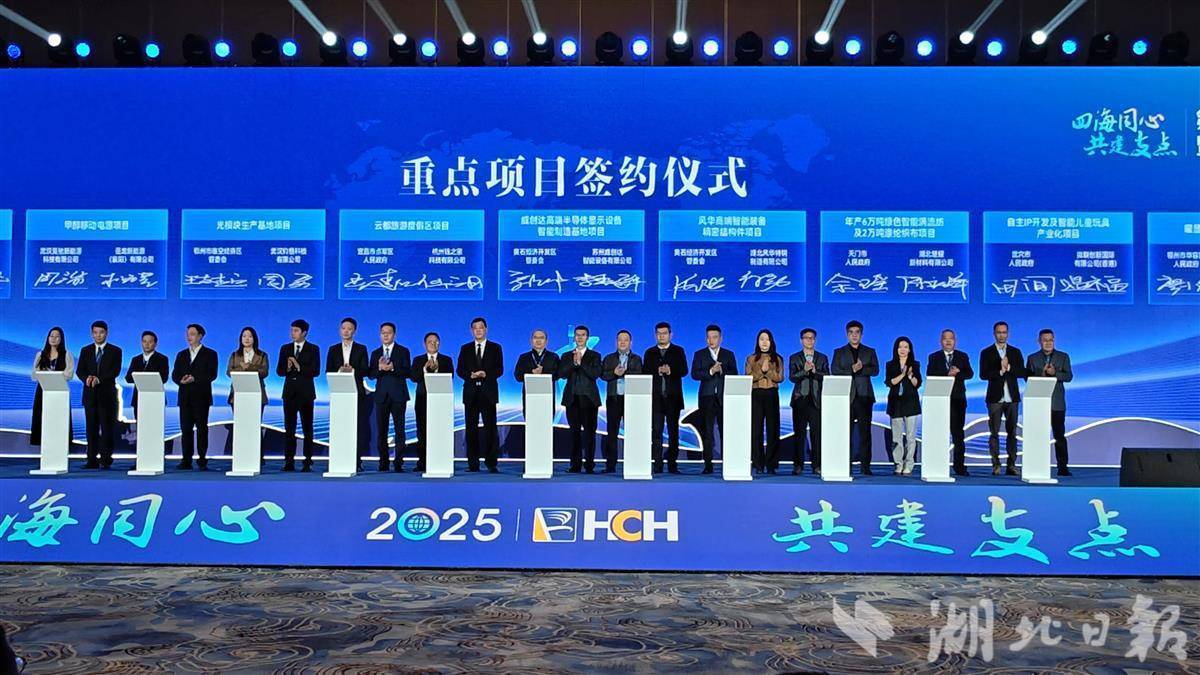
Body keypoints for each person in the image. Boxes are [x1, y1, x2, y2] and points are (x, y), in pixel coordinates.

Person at [456, 317, 504, 473]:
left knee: (491, 429)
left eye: (481, 327)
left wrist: (486, 374)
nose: (478, 330)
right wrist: (470, 375)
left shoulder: (495, 348)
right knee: (471, 430)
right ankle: (473, 464)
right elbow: (460, 370)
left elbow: (499, 370)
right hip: (470, 394)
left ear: (486, 329)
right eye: (475, 328)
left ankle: (491, 463)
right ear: (472, 331)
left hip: (488, 394)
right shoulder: (465, 348)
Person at [831, 320, 879, 475]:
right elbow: (834, 370)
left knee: (865, 434)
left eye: (857, 332)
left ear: (861, 334)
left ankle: (865, 466)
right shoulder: (839, 352)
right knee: (846, 433)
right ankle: (846, 464)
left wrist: (861, 368)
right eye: (851, 332)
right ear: (847, 334)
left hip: (865, 397)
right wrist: (852, 369)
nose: (854, 335)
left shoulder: (869, 351)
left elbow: (875, 370)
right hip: (846, 397)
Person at [979, 320, 1026, 476]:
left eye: (1004, 332)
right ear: (994, 334)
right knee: (994, 433)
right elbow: (983, 374)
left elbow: (1022, 372)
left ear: (1008, 333)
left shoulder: (1015, 352)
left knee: (1012, 433)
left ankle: (1011, 465)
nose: (1001, 335)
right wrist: (1000, 371)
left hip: (1012, 398)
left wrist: (1009, 368)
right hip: (995, 399)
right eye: (999, 332)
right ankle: (996, 465)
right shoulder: (986, 352)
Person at [690, 324, 738, 475]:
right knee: (707, 432)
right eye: (709, 337)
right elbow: (694, 374)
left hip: (724, 398)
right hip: (707, 398)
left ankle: (727, 463)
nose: (711, 340)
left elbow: (734, 374)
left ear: (720, 338)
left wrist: (721, 370)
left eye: (715, 337)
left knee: (725, 432)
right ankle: (708, 464)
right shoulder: (700, 354)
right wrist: (711, 371)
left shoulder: (728, 355)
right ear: (706, 339)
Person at [1026, 328, 1073, 477]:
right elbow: (1027, 379)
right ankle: (1036, 465)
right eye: (1045, 340)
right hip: (1038, 403)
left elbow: (1069, 376)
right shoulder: (1032, 358)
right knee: (1038, 436)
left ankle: (1062, 467)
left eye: (1051, 340)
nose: (1048, 343)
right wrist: (1041, 374)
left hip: (1057, 403)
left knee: (1059, 435)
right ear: (1039, 341)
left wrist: (1055, 373)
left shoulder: (1063, 356)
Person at [325, 317, 371, 471]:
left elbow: (366, 370)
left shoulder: (361, 349)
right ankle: (338, 459)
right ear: (340, 330)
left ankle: (356, 461)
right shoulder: (333, 349)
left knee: (357, 427)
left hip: (356, 393)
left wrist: (353, 370)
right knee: (340, 427)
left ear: (354, 331)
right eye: (343, 328)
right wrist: (340, 370)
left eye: (349, 329)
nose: (346, 331)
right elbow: (328, 370)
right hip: (339, 393)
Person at [926, 329, 973, 476]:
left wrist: (958, 373)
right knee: (939, 433)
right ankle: (937, 464)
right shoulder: (934, 357)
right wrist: (947, 374)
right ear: (941, 341)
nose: (948, 341)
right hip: (939, 401)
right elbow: (930, 374)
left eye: (951, 338)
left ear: (955, 341)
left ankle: (959, 466)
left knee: (958, 434)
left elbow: (970, 374)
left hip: (958, 400)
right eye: (945, 338)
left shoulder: (962, 356)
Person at [172, 323, 219, 470]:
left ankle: (202, 459)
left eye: (192, 334)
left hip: (201, 398)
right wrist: (180, 380)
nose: (189, 337)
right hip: (185, 397)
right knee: (186, 430)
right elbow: (175, 374)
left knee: (201, 429)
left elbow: (212, 374)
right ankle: (186, 460)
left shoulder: (210, 354)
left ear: (200, 336)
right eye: (188, 334)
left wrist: (195, 378)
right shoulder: (181, 354)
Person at [643, 322, 687, 474]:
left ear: (670, 335)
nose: (661, 336)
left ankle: (672, 464)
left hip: (673, 399)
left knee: (673, 432)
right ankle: (657, 464)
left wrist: (670, 371)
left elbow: (684, 370)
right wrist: (657, 370)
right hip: (656, 399)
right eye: (659, 333)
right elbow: (645, 372)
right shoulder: (650, 352)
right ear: (655, 335)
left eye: (664, 333)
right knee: (656, 432)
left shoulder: (678, 351)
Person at [77, 320, 122, 469]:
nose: (98, 335)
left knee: (107, 428)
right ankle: (91, 459)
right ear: (92, 334)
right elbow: (80, 370)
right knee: (91, 429)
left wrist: (99, 379)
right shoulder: (85, 350)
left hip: (107, 396)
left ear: (106, 333)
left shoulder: (115, 351)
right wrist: (87, 378)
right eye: (95, 333)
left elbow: (115, 371)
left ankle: (106, 459)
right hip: (90, 396)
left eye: (101, 332)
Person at [277, 319, 320, 472]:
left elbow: (315, 371)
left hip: (306, 394)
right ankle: (289, 461)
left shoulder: (313, 349)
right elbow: (279, 371)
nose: (292, 333)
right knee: (289, 429)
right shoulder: (285, 348)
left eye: (296, 330)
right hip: (289, 393)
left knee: (307, 428)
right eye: (292, 330)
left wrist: (299, 366)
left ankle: (307, 461)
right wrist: (288, 368)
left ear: (304, 333)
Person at [557, 325, 602, 473]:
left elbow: (595, 374)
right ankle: (575, 465)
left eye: (583, 335)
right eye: (577, 335)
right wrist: (573, 363)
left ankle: (589, 465)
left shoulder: (595, 356)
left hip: (589, 400)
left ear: (587, 337)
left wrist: (581, 363)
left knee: (590, 433)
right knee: (574, 433)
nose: (580, 337)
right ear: (574, 337)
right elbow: (562, 374)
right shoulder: (566, 356)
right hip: (572, 399)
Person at [368, 322, 411, 472]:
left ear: (394, 334)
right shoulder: (375, 353)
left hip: (398, 396)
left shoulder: (403, 351)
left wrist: (393, 368)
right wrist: (380, 368)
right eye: (383, 333)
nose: (385, 335)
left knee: (400, 431)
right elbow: (371, 374)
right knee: (381, 432)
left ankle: (398, 463)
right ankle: (383, 463)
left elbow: (408, 372)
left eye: (389, 332)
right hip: (381, 396)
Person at [600, 329, 642, 474]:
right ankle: (610, 465)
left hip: (631, 400)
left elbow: (639, 374)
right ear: (616, 342)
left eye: (626, 340)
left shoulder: (636, 359)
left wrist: (624, 372)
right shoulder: (609, 358)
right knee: (612, 432)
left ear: (631, 342)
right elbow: (603, 375)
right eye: (620, 340)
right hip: (614, 399)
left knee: (632, 432)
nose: (622, 342)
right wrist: (614, 373)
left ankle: (633, 463)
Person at [225, 326, 269, 461]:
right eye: (244, 336)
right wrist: (242, 367)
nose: (247, 339)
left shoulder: (262, 355)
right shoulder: (235, 355)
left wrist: (249, 367)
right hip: (237, 395)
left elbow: (264, 372)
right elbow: (229, 371)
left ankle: (258, 457)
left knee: (254, 427)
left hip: (257, 395)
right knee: (240, 427)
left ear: (254, 339)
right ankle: (240, 456)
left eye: (250, 336)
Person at [788, 328, 829, 475]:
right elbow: (792, 377)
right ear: (801, 340)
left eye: (812, 338)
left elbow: (827, 376)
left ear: (815, 340)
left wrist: (815, 372)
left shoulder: (822, 358)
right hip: (800, 400)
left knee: (816, 435)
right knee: (799, 434)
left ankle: (817, 465)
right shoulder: (794, 357)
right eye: (806, 338)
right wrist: (805, 371)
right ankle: (798, 465)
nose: (809, 340)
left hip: (816, 400)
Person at [411, 332, 453, 473]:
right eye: (430, 341)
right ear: (425, 344)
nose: (433, 344)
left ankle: (440, 460)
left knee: (440, 431)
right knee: (422, 432)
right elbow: (413, 377)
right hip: (422, 399)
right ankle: (422, 462)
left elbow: (450, 377)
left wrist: (437, 370)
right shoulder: (418, 360)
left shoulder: (446, 360)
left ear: (439, 344)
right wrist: (425, 370)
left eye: (436, 342)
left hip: (441, 401)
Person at [746, 329, 784, 474]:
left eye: (767, 339)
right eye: (761, 339)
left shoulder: (777, 358)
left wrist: (768, 371)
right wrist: (761, 371)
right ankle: (758, 463)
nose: (764, 342)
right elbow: (748, 377)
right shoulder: (751, 359)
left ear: (771, 342)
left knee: (773, 430)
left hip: (772, 394)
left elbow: (780, 378)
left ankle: (771, 464)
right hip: (756, 394)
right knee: (756, 430)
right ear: (758, 342)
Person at [30, 326, 74, 447]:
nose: (54, 339)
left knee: (59, 420)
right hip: (43, 390)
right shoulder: (40, 354)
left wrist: (55, 375)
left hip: (60, 391)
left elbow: (69, 375)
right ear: (48, 338)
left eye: (57, 336)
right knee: (42, 418)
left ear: (61, 339)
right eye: (51, 336)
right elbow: (34, 374)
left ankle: (60, 444)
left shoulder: (67, 355)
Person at [885, 336, 922, 476]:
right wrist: (903, 374)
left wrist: (911, 376)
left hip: (911, 403)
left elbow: (917, 384)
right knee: (896, 437)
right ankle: (898, 464)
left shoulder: (915, 364)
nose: (903, 349)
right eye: (900, 347)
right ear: (896, 349)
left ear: (910, 349)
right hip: (896, 403)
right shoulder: (890, 364)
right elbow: (890, 382)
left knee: (911, 437)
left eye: (906, 347)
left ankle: (909, 464)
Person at [513, 328, 560, 417]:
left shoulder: (553, 357)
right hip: (529, 398)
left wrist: (543, 373)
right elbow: (518, 376)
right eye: (535, 337)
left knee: (547, 420)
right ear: (531, 341)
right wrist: (531, 373)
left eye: (541, 338)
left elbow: (559, 374)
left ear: (546, 341)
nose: (538, 340)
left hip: (548, 397)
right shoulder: (524, 357)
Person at [123, 330, 169, 419]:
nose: (147, 344)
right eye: (144, 341)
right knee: (139, 425)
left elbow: (164, 378)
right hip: (138, 399)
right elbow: (128, 378)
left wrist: (143, 378)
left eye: (150, 342)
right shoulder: (135, 359)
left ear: (155, 344)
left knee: (155, 424)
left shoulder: (162, 359)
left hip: (156, 399)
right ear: (141, 343)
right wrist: (141, 378)